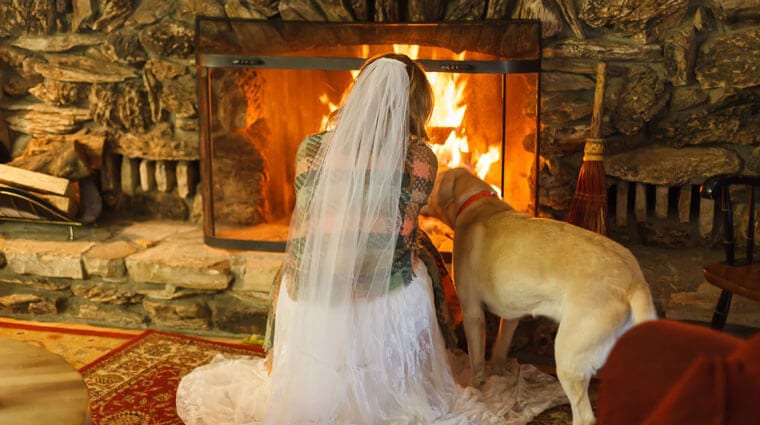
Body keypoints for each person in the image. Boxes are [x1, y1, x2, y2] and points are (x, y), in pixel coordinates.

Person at [176, 53, 566, 425]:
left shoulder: (310, 148)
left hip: (310, 295)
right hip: (381, 302)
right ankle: (398, 377)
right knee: (424, 263)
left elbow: (317, 223)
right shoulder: (420, 159)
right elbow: (403, 238)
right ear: (417, 108)